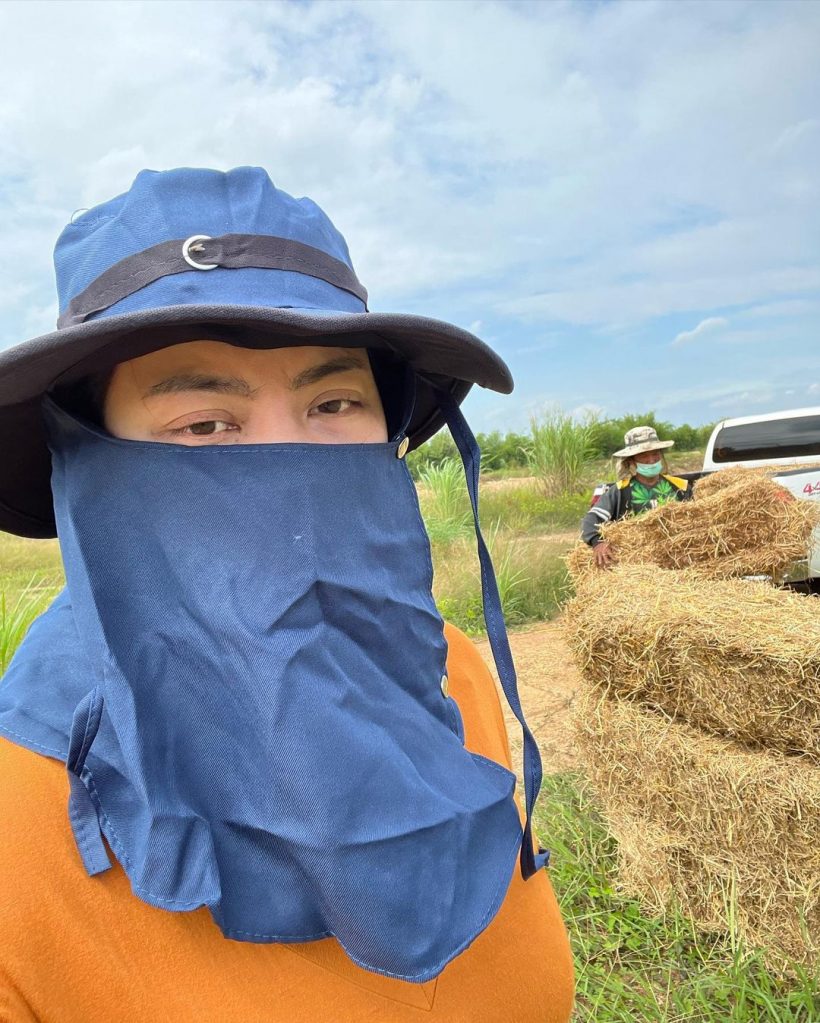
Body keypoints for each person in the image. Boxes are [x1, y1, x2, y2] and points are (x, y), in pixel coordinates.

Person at [0, 168, 574, 1022]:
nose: (290, 466)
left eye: (334, 400)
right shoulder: (19, 814)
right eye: (206, 423)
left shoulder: (453, 670)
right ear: (90, 456)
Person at [581, 425, 691, 568]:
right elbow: (591, 519)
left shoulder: (680, 487)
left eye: (655, 453)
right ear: (631, 461)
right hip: (638, 565)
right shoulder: (620, 492)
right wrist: (597, 542)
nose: (651, 460)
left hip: (678, 561)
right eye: (644, 455)